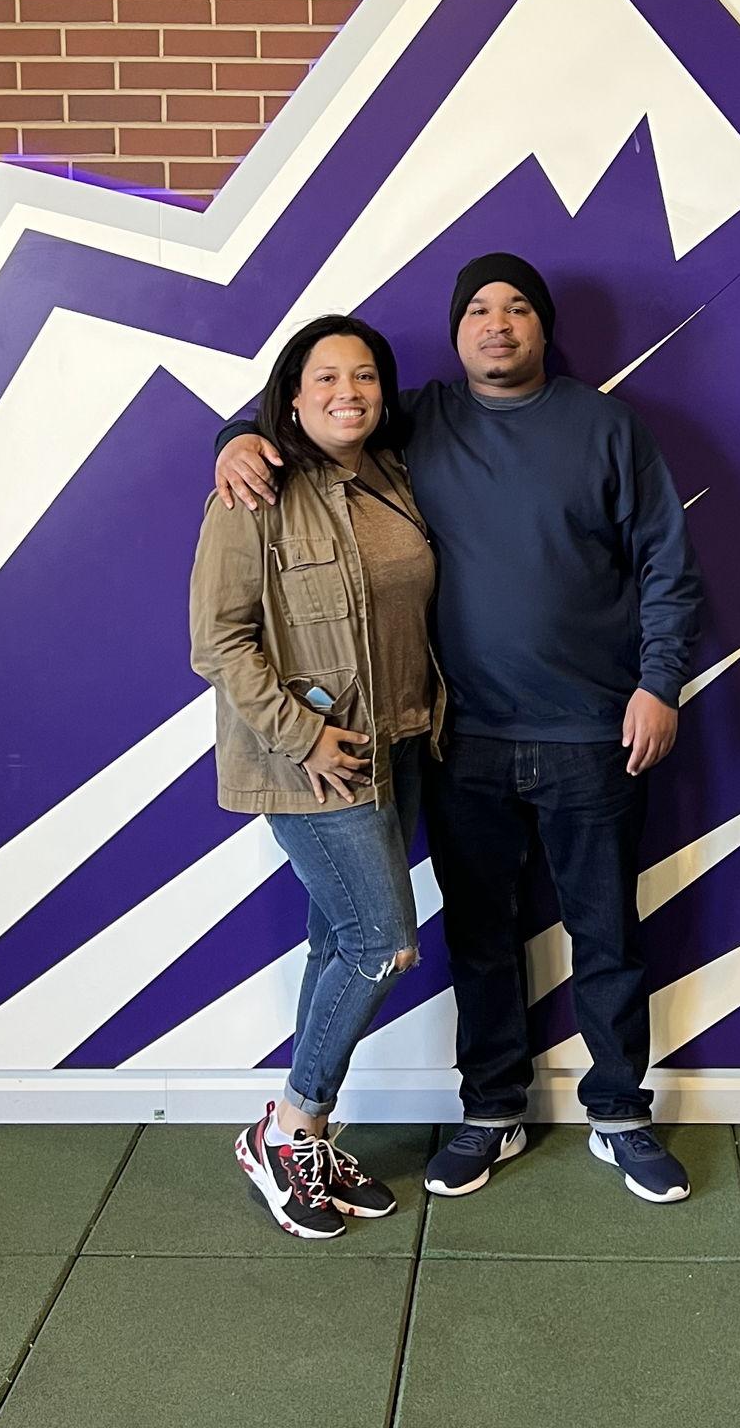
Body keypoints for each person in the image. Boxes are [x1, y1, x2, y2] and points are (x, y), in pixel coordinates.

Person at [216, 253, 703, 1204]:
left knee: (606, 931)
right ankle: (492, 1111)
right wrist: (235, 437)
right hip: (459, 738)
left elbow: (666, 564)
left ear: (543, 326)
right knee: (479, 936)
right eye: (477, 309)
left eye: (516, 307)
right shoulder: (420, 421)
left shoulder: (607, 426)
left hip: (594, 731)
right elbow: (319, 419)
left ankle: (619, 1115)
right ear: (454, 332)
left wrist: (660, 684)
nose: (497, 323)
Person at [190, 312, 445, 1240]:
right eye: (327, 378)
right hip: (311, 762)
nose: (350, 393)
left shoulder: (395, 475)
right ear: (290, 398)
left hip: (403, 742)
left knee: (336, 942)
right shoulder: (251, 490)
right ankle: (288, 1129)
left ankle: (310, 1133)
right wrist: (303, 734)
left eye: (366, 375)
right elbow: (216, 641)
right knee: (382, 944)